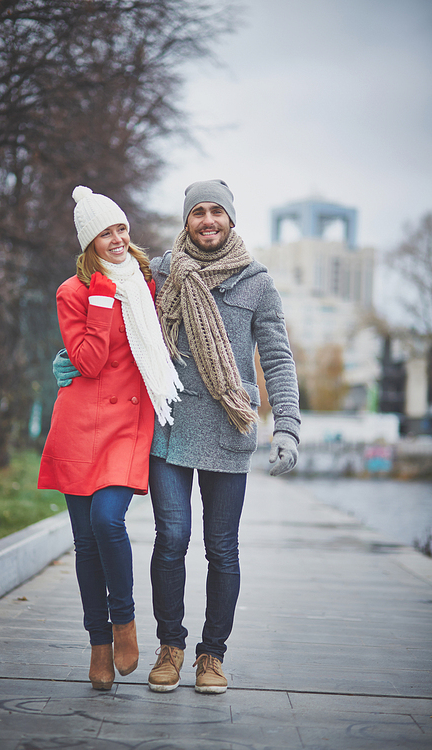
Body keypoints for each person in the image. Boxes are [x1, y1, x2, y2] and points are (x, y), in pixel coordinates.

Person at [53, 179, 300, 695]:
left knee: (222, 549)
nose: (207, 220)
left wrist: (287, 426)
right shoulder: (161, 271)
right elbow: (122, 316)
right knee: (172, 540)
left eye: (217, 212)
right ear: (185, 220)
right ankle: (171, 646)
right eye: (197, 213)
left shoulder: (257, 283)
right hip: (169, 428)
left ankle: (212, 655)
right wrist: (65, 359)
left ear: (231, 219)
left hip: (230, 429)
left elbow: (277, 356)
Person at [39, 185, 182, 692]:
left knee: (106, 520)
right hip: (79, 425)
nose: (118, 238)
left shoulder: (149, 284)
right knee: (84, 544)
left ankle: (124, 620)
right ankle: (99, 643)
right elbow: (89, 360)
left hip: (127, 424)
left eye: (121, 228)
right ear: (89, 243)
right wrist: (101, 299)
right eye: (106, 233)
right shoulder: (72, 292)